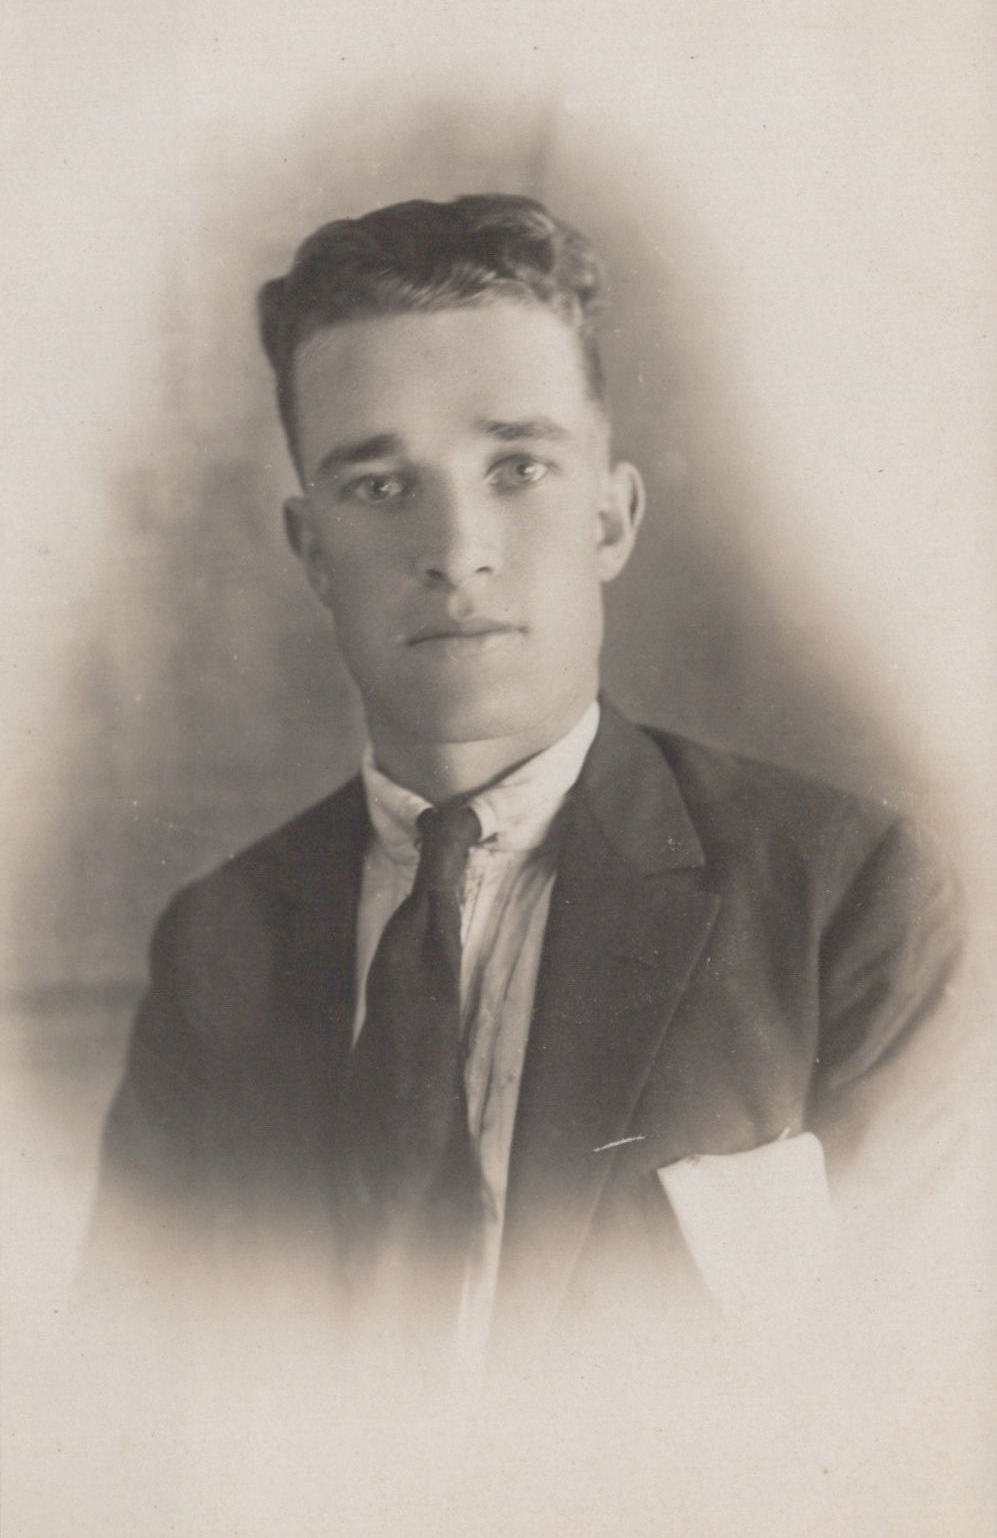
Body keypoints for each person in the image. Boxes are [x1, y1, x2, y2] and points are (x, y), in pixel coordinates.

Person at [90, 194, 964, 1372]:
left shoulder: (848, 898)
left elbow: (896, 1410)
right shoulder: (216, 939)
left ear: (609, 517)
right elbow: (119, 1402)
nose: (456, 550)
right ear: (310, 552)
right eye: (380, 487)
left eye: (517, 466)